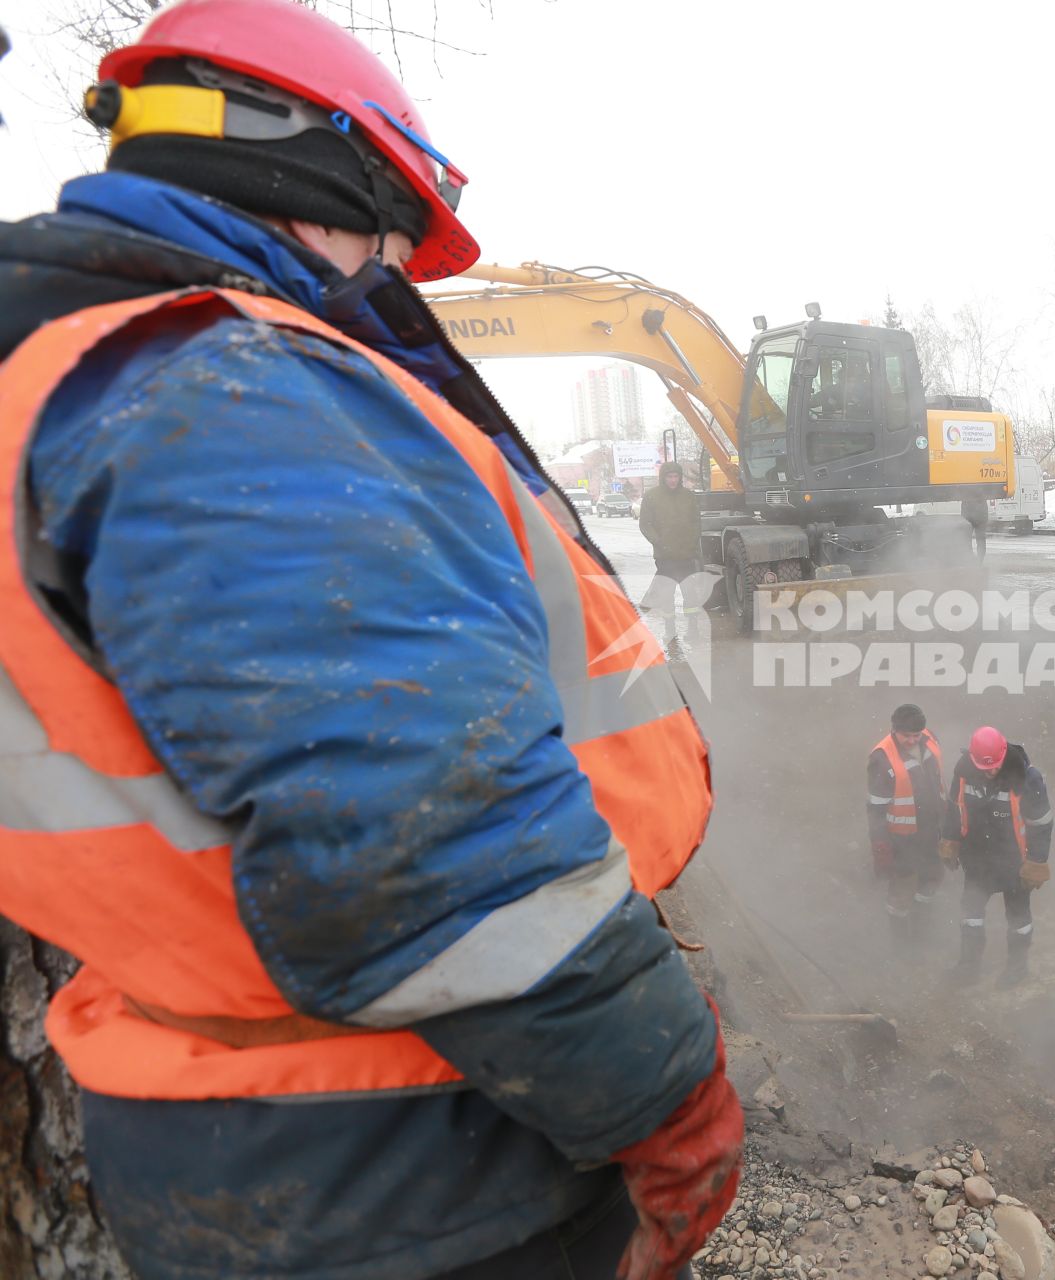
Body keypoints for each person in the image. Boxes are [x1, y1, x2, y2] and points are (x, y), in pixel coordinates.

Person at [0, 3, 739, 1278]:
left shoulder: (73, 374)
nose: (388, 267)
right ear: (299, 166)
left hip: (245, 1117)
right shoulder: (221, 389)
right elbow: (426, 833)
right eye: (388, 225)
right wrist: (669, 1099)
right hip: (410, 1136)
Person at [941, 726, 1055, 987]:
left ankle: (1017, 966)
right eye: (984, 768)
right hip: (977, 859)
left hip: (1015, 863)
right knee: (971, 913)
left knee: (1018, 917)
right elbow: (954, 808)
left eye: (994, 767)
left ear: (1004, 756)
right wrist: (950, 839)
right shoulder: (963, 771)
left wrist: (1037, 861)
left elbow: (1042, 823)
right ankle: (968, 966)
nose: (990, 772)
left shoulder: (1028, 778)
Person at [866, 704, 946, 953]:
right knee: (901, 891)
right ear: (894, 730)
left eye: (916, 735)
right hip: (902, 840)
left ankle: (922, 933)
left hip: (933, 831)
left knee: (931, 879)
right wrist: (881, 847)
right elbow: (876, 809)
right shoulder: (881, 759)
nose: (913, 740)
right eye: (907, 735)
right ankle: (901, 945)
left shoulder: (929, 738)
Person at [637, 459, 703, 653]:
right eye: (669, 477)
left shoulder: (689, 497)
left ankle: (693, 630)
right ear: (663, 478)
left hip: (686, 554)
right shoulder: (652, 497)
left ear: (680, 477)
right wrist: (659, 542)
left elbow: (695, 522)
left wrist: (692, 541)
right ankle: (670, 632)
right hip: (665, 556)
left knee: (690, 595)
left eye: (676, 476)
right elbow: (645, 524)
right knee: (667, 596)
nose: (673, 480)